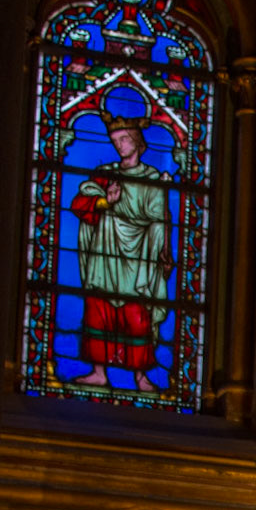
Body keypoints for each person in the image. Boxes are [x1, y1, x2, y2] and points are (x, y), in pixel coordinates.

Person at [71, 116, 172, 392]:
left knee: (137, 316)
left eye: (124, 139)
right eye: (115, 141)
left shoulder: (152, 179)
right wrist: (106, 201)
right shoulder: (105, 174)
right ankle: (98, 373)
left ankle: (141, 377)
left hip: (139, 259)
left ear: (138, 143)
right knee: (98, 311)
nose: (119, 145)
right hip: (105, 254)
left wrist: (164, 252)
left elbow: (159, 219)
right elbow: (79, 203)